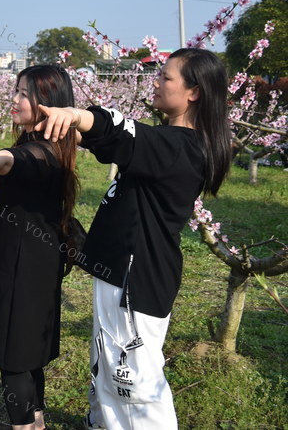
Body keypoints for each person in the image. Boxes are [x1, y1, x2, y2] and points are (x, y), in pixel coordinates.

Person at [36, 48, 232, 430]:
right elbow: (121, 145)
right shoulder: (171, 142)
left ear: (193, 92)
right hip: (121, 273)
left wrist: (79, 116)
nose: (156, 83)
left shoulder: (181, 147)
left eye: (166, 77)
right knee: (109, 365)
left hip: (135, 279)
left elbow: (121, 133)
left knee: (134, 383)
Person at [0, 65, 79, 430]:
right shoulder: (48, 147)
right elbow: (7, 178)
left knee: (15, 357)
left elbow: (8, 161)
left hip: (22, 265)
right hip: (33, 261)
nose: (15, 100)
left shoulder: (38, 152)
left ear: (49, 103)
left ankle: (25, 425)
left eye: (24, 93)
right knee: (27, 355)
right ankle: (36, 422)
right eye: (16, 91)